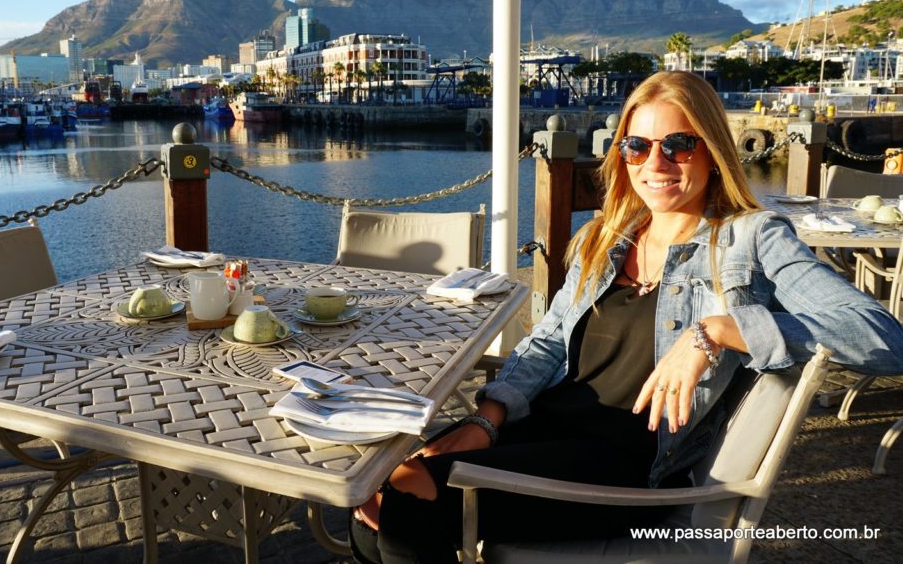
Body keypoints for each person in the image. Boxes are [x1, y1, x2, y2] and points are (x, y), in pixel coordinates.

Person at [349, 71, 903, 564]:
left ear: (712, 150)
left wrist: (718, 330)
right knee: (368, 494)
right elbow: (545, 342)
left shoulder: (751, 238)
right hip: (540, 427)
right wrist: (486, 419)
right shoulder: (603, 238)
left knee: (406, 495)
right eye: (637, 146)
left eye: (679, 145)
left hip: (627, 465)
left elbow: (882, 338)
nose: (655, 164)